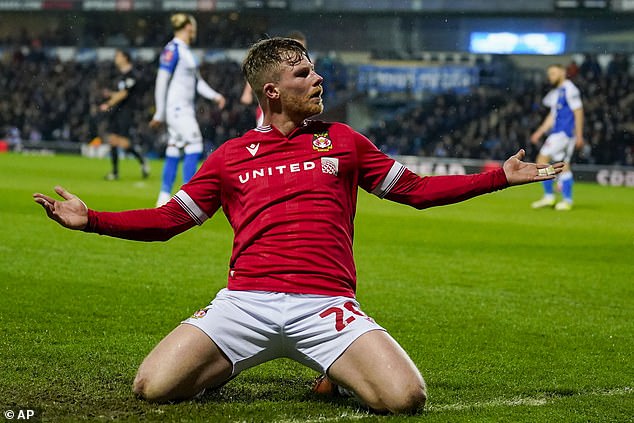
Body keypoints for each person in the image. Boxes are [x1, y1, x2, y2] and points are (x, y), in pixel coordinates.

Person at [33, 38, 563, 415]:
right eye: (303, 74)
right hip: (245, 303)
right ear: (271, 91)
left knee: (406, 399)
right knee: (151, 387)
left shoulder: (344, 140)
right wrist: (92, 221)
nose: (318, 79)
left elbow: (417, 191)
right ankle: (239, 357)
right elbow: (170, 220)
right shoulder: (230, 156)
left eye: (314, 70)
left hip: (326, 305)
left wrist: (498, 177)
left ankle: (333, 372)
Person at [149, 13, 226, 206]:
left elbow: (197, 82)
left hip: (183, 109)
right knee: (195, 144)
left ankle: (164, 196)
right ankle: (189, 196)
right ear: (188, 28)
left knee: (174, 148)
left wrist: (215, 96)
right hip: (177, 109)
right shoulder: (172, 49)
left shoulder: (184, 51)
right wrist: (160, 112)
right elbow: (162, 80)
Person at [530, 64, 584, 211]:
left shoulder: (569, 89)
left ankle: (549, 196)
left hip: (563, 133)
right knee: (563, 165)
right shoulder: (558, 92)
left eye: (553, 73)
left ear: (562, 73)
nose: (550, 77)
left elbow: (578, 111)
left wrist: (579, 135)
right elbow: (553, 116)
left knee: (542, 160)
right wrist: (539, 132)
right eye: (549, 74)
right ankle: (566, 200)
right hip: (559, 132)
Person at [99, 49, 149, 181]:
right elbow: (120, 93)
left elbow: (124, 94)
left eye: (118, 56)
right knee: (113, 140)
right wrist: (110, 94)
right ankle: (115, 172)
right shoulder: (121, 75)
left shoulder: (132, 74)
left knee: (122, 142)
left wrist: (108, 103)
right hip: (118, 110)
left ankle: (142, 160)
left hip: (127, 111)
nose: (116, 58)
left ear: (125, 58)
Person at [240, 30, 307, 127]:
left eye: (303, 48)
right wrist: (247, 92)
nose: (300, 51)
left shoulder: (307, 65)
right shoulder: (276, 60)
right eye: (297, 47)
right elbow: (258, 72)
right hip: (272, 108)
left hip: (293, 108)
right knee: (266, 137)